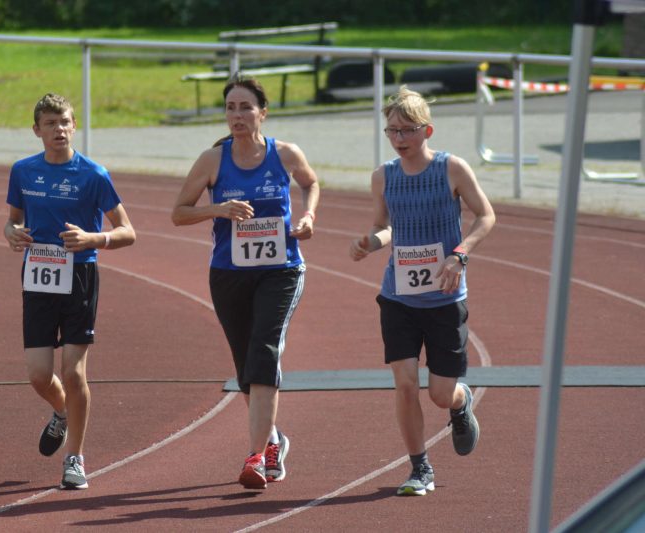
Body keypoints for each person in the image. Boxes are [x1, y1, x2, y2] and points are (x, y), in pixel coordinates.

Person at [171, 75, 320, 490]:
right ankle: (273, 439)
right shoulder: (212, 161)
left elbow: (310, 182)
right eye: (231, 108)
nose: (237, 115)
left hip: (282, 270)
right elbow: (179, 212)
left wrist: (307, 216)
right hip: (229, 274)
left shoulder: (285, 154)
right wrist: (218, 209)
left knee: (264, 350)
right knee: (244, 367)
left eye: (245, 107)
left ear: (262, 112)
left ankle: (255, 456)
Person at [349, 85, 495, 496]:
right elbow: (385, 225)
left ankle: (460, 401)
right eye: (391, 131)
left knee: (439, 393)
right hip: (398, 297)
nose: (398, 139)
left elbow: (486, 215)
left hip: (445, 297)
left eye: (407, 131)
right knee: (406, 383)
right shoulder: (383, 176)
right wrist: (370, 243)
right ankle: (420, 469)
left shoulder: (452, 169)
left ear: (427, 131)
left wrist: (460, 254)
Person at [3, 93, 136, 490]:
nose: (58, 130)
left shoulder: (94, 174)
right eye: (50, 124)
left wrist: (93, 238)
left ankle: (74, 458)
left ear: (74, 126)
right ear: (37, 130)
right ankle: (61, 412)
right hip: (38, 276)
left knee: (73, 372)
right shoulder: (23, 172)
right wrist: (12, 234)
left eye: (64, 122)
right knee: (39, 375)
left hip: (80, 277)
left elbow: (128, 231)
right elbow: (11, 222)